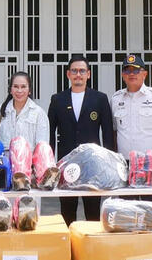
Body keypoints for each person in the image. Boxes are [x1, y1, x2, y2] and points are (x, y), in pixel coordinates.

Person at [48, 55, 115, 225]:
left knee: (92, 213)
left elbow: (107, 133)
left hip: (93, 166)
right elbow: (49, 133)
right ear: (68, 74)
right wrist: (49, 165)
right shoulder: (57, 99)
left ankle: (90, 248)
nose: (78, 74)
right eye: (74, 71)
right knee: (67, 212)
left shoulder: (99, 98)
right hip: (66, 163)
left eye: (82, 71)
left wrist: (109, 165)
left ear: (89, 74)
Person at [111, 53, 152, 204]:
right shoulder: (116, 99)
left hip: (151, 165)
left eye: (136, 70)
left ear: (144, 74)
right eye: (127, 70)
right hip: (125, 164)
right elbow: (115, 133)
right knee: (127, 211)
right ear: (122, 75)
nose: (131, 74)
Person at [0, 71, 49, 146]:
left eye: (23, 87)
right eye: (15, 86)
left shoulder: (39, 113)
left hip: (29, 157)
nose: (19, 91)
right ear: (10, 90)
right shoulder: (0, 110)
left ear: (29, 90)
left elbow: (42, 147)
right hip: (5, 157)